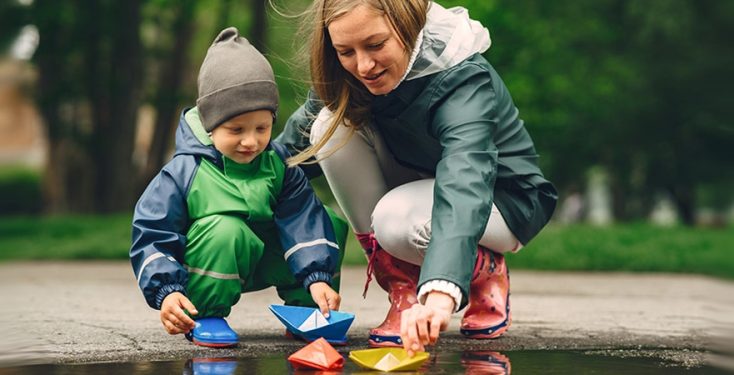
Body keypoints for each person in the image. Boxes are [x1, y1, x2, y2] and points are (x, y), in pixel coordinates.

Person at [276, 0, 557, 357]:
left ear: (408, 25)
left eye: (376, 45)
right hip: (416, 182)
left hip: (502, 200)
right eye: (345, 51)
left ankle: (482, 269)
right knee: (327, 127)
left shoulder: (463, 78)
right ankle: (402, 290)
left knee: (395, 220)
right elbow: (286, 157)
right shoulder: (348, 73)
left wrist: (440, 292)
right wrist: (221, 185)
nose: (363, 65)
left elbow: (464, 179)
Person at [130, 27, 347, 348]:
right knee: (225, 228)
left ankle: (310, 309)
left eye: (262, 127)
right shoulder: (185, 171)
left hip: (265, 256)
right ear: (209, 123)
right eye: (236, 129)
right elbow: (153, 233)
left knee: (327, 221)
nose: (251, 141)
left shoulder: (278, 164)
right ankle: (206, 314)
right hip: (211, 264)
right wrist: (168, 291)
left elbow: (302, 219)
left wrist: (317, 277)